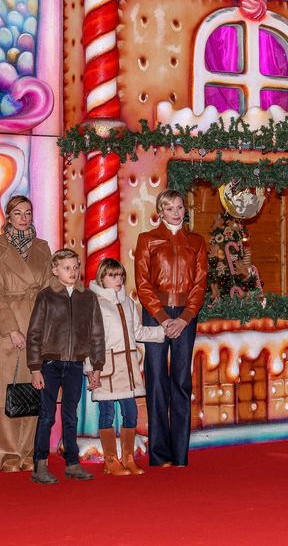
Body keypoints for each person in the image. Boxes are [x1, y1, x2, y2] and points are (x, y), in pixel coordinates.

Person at [135, 190, 208, 467]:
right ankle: (159, 454)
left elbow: (200, 284)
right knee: (156, 381)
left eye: (179, 207)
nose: (176, 212)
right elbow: (142, 284)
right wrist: (164, 319)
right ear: (160, 211)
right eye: (170, 208)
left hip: (185, 318)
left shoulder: (197, 242)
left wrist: (185, 317)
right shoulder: (147, 240)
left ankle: (179, 455)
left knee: (181, 382)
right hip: (156, 315)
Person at [27, 249, 105, 484]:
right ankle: (40, 465)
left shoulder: (88, 297)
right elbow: (34, 333)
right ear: (55, 270)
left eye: (75, 267)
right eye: (67, 267)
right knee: (47, 415)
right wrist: (35, 368)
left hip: (75, 365)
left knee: (71, 415)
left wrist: (96, 365)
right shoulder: (46, 296)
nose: (73, 272)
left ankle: (72, 463)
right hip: (50, 364)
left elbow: (96, 334)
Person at [87, 258, 165, 475]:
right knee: (107, 413)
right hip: (106, 367)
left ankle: (128, 457)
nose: (118, 279)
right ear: (102, 278)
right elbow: (90, 340)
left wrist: (163, 332)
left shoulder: (129, 303)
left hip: (128, 368)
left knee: (130, 413)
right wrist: (91, 369)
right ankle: (111, 460)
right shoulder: (95, 304)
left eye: (120, 275)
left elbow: (138, 332)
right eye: (112, 275)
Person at [0, 195, 52, 473]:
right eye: (18, 213)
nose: (24, 217)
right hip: (7, 330)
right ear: (8, 216)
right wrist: (10, 328)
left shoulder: (43, 248)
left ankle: (30, 451)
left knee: (35, 389)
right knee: (6, 392)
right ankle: (8, 454)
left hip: (37, 324)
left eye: (28, 213)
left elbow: (52, 286)